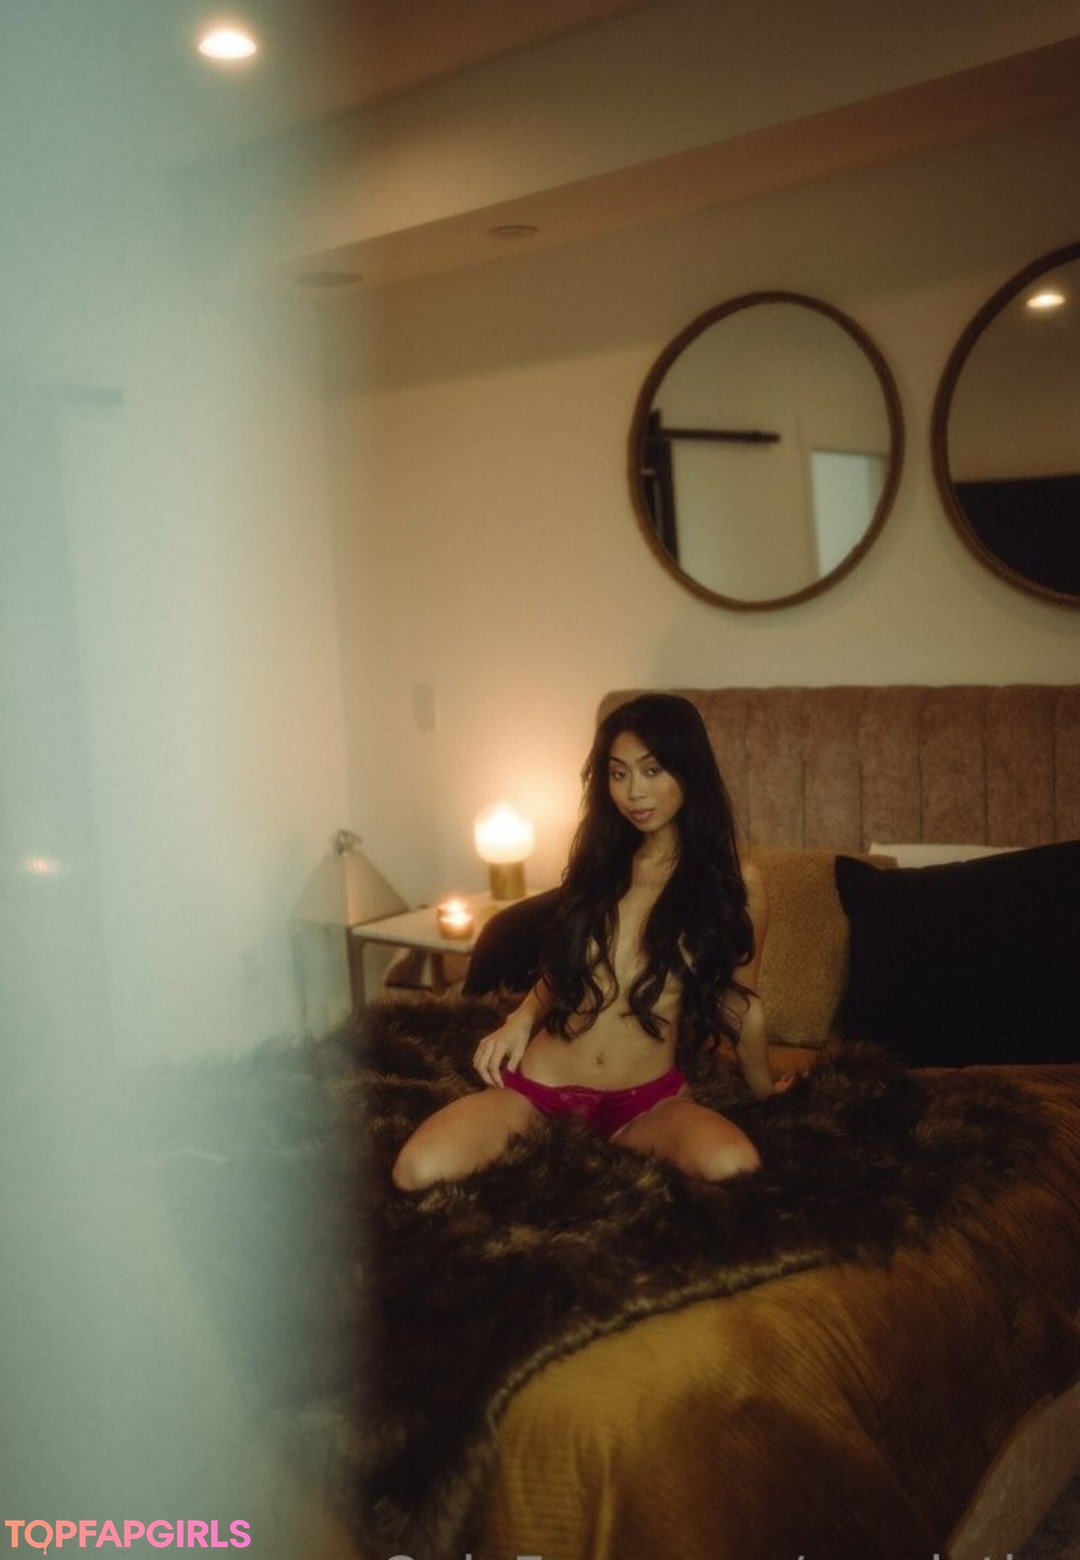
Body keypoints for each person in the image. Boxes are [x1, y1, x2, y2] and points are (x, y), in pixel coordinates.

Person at [392, 693, 789, 1192]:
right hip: (541, 1089)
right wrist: (520, 1020)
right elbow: (566, 969)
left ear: (689, 770)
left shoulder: (734, 883)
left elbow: (741, 1002)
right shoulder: (601, 865)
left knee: (736, 1166)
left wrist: (765, 1091)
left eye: (652, 770)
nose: (634, 792)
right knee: (415, 1171)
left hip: (646, 1102)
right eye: (619, 773)